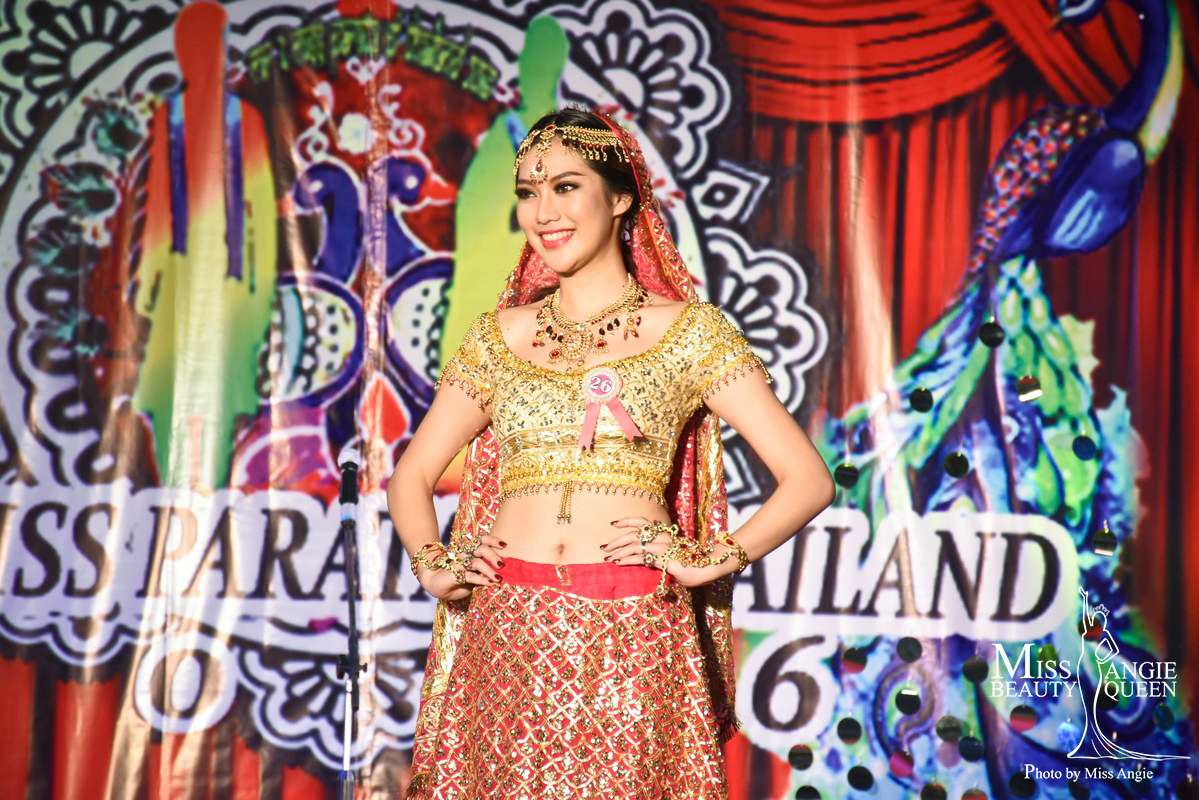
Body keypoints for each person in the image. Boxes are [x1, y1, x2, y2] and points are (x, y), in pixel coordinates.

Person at [387, 106, 834, 798]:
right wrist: (433, 564)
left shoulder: (689, 333)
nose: (543, 211)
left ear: (621, 198)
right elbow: (413, 473)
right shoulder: (499, 337)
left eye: (566, 187)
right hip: (506, 629)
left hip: (634, 629)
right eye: (528, 192)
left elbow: (806, 478)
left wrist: (711, 558)